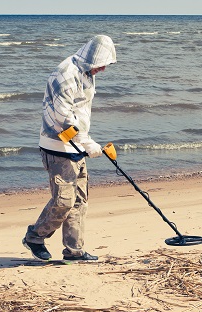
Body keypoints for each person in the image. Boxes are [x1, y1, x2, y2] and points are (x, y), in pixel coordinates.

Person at [22, 35, 117, 262]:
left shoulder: (86, 72)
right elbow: (63, 118)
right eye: (102, 63)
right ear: (93, 56)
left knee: (79, 201)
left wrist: (85, 142)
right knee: (63, 202)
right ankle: (35, 237)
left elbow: (80, 111)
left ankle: (74, 251)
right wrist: (87, 143)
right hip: (57, 147)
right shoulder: (64, 75)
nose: (103, 69)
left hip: (78, 144)